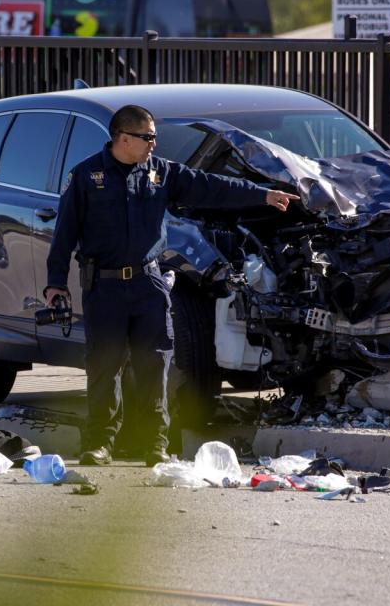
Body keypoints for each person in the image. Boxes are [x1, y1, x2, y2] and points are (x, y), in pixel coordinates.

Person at [45, 105, 297, 466]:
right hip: (105, 286)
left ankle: (155, 445)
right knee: (104, 367)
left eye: (154, 138)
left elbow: (211, 187)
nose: (154, 144)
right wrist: (56, 285)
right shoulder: (86, 176)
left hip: (149, 283)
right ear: (124, 138)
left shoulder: (160, 173)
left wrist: (262, 194)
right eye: (148, 138)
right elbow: (64, 234)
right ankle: (99, 443)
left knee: (155, 366)